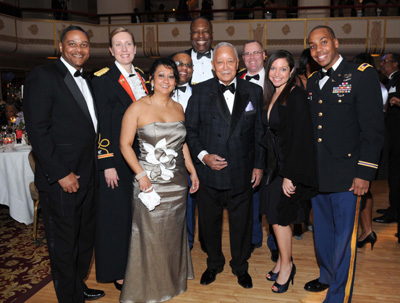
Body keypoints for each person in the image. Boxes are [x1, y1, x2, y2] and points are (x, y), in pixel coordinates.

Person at [23, 25, 104, 303]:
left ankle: (77, 286)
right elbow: (37, 130)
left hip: (89, 175)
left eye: (84, 44)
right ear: (60, 47)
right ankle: (69, 298)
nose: (79, 49)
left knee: (84, 239)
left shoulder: (89, 79)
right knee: (64, 243)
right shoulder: (43, 76)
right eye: (72, 44)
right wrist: (60, 173)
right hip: (63, 179)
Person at [305, 25, 384, 302]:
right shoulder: (314, 81)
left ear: (336, 42)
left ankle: (339, 293)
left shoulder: (361, 75)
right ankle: (327, 275)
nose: (319, 49)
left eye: (323, 42)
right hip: (319, 174)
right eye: (313, 46)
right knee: (324, 234)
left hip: (349, 175)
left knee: (344, 240)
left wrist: (364, 172)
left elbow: (373, 130)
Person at [185, 42, 264, 289]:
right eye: (220, 62)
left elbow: (260, 132)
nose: (225, 66)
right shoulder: (199, 91)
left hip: (242, 170)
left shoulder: (254, 91)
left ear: (237, 63)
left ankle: (240, 266)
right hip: (210, 172)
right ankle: (214, 263)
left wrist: (259, 165)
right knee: (210, 222)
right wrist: (204, 156)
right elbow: (189, 131)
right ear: (212, 65)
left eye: (230, 61)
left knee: (242, 223)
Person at [119, 58, 198, 303]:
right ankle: (149, 288)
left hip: (177, 183)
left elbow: (181, 144)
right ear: (151, 80)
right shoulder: (137, 108)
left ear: (176, 81)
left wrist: (193, 171)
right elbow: (124, 145)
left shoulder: (178, 108)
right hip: (149, 183)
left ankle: (172, 282)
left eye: (171, 76)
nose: (166, 80)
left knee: (173, 234)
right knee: (149, 235)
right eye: (161, 76)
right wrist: (141, 175)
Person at [92, 27, 148, 291]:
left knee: (137, 215)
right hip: (116, 159)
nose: (124, 49)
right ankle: (117, 271)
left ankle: (136, 263)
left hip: (141, 158)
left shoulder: (143, 77)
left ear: (135, 49)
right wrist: (107, 162)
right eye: (118, 45)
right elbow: (102, 123)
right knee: (116, 217)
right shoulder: (103, 78)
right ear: (111, 51)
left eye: (128, 44)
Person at [260, 50, 317, 293]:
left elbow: (301, 140)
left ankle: (287, 265)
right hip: (274, 166)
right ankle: (281, 260)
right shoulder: (274, 93)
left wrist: (289, 175)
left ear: (292, 71)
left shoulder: (296, 96)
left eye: (283, 69)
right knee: (272, 216)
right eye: (273, 68)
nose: (277, 73)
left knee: (281, 218)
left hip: (287, 168)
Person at [351, 52, 389, 250]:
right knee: (365, 191)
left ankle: (366, 230)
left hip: (368, 145)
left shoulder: (372, 86)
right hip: (372, 144)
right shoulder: (380, 86)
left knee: (362, 190)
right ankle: (368, 230)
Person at [238, 40, 266, 252]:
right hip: (248, 150)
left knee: (275, 198)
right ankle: (254, 236)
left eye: (256, 52)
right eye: (247, 54)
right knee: (251, 197)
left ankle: (276, 244)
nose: (252, 57)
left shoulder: (277, 76)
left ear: (264, 55)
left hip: (275, 149)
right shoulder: (236, 80)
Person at [171, 52, 197, 250]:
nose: (183, 68)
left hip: (194, 157)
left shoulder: (200, 93)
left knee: (190, 203)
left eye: (188, 65)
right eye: (178, 64)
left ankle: (187, 243)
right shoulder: (156, 93)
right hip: (166, 157)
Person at [374, 53, 400, 229]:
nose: (382, 64)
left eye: (386, 61)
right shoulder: (389, 81)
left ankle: (395, 212)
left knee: (397, 175)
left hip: (397, 136)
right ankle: (393, 208)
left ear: (396, 64)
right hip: (391, 135)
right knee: (393, 175)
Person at [183, 16, 214, 85]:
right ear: (191, 36)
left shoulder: (224, 60)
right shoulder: (178, 60)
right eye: (196, 32)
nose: (201, 36)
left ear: (212, 35)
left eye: (205, 31)